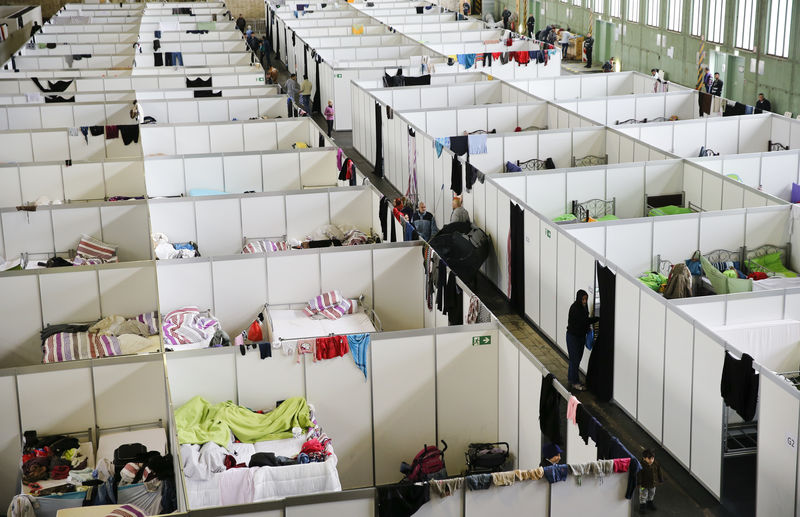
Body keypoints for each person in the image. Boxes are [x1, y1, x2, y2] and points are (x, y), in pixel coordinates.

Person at [566, 289, 598, 391]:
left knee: (576, 360)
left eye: (586, 299)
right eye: (583, 299)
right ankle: (575, 382)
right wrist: (597, 319)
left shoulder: (584, 307)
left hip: (580, 337)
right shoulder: (575, 308)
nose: (584, 301)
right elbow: (584, 321)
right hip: (573, 337)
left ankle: (572, 379)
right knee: (574, 360)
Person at [638, 449, 663, 514]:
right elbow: (639, 475)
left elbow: (659, 472)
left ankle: (650, 503)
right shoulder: (641, 465)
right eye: (649, 459)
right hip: (644, 484)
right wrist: (639, 482)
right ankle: (642, 506)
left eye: (652, 458)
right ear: (644, 458)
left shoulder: (656, 464)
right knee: (643, 494)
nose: (651, 460)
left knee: (652, 493)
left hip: (653, 484)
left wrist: (660, 479)